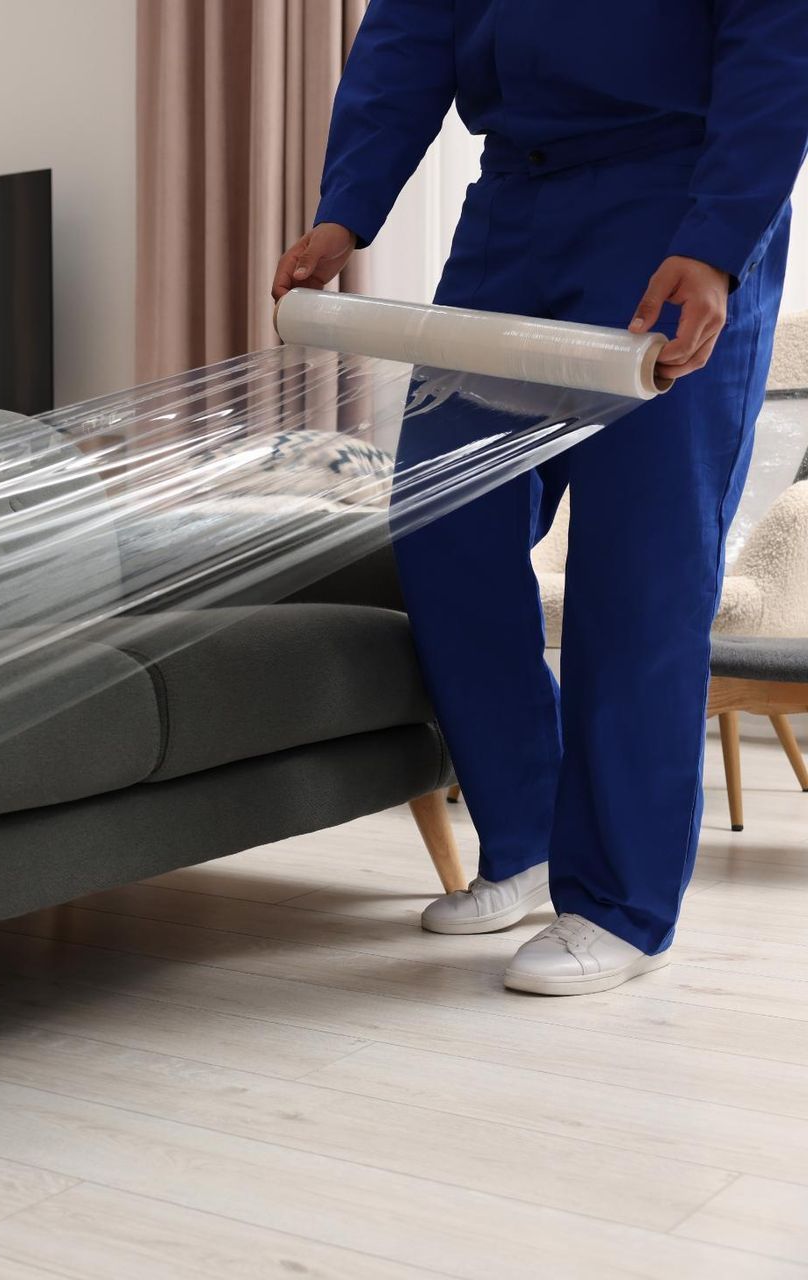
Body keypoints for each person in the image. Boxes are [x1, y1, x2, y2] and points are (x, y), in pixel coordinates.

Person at [272, 0, 808, 995]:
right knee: (443, 520)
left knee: (638, 569)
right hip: (513, 211)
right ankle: (522, 837)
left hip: (673, 205)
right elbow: (409, 31)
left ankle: (620, 904)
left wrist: (721, 236)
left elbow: (776, 42)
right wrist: (348, 209)